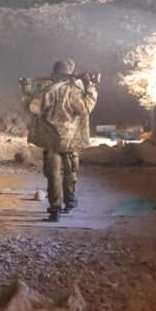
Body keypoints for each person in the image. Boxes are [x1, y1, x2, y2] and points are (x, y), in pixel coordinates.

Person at [21, 60, 98, 222]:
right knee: (70, 171)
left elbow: (32, 108)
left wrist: (26, 90)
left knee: (53, 174)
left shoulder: (45, 91)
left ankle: (55, 209)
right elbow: (85, 110)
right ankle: (70, 202)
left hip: (51, 140)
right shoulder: (74, 91)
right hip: (70, 140)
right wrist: (90, 87)